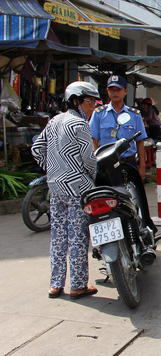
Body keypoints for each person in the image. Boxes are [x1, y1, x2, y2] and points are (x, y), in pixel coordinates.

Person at [31, 81, 100, 299]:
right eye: (90, 102)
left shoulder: (53, 121)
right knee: (77, 236)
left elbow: (37, 149)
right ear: (75, 100)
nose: (92, 107)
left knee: (58, 237)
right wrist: (92, 176)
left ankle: (55, 284)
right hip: (78, 188)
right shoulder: (79, 124)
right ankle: (78, 285)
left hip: (56, 187)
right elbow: (89, 159)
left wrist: (53, 167)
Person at [89, 74, 147, 180]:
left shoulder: (134, 115)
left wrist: (142, 166)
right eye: (112, 90)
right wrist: (94, 165)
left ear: (125, 91)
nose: (115, 93)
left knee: (131, 195)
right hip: (105, 164)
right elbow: (94, 141)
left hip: (128, 163)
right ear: (107, 91)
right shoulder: (98, 114)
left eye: (118, 89)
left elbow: (140, 141)